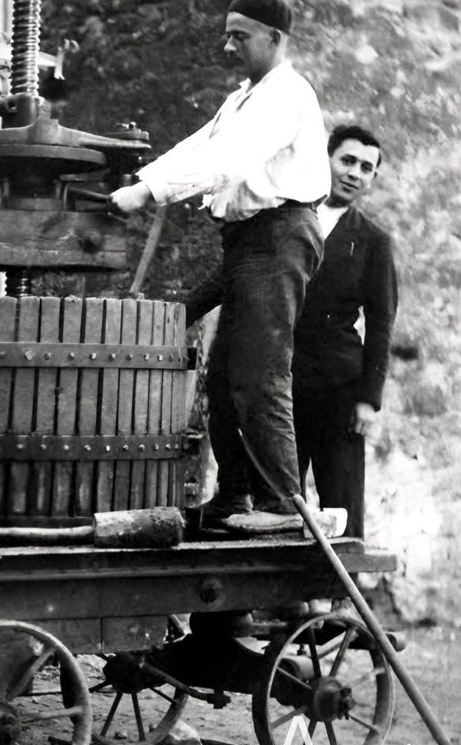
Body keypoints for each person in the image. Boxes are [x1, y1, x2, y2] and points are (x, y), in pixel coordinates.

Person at [110, 0, 330, 533]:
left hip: (279, 235)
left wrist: (147, 192)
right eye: (227, 34)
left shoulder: (286, 94)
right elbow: (199, 146)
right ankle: (235, 496)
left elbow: (228, 159)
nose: (228, 46)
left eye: (241, 36)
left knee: (259, 373)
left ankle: (283, 504)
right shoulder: (242, 99)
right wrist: (142, 178)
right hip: (248, 241)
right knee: (226, 374)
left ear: (274, 38)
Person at [293, 126, 397, 539]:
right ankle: (279, 579)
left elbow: (382, 322)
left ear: (372, 178)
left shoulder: (373, 240)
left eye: (366, 168)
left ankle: (340, 579)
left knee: (341, 501)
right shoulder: (291, 218)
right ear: (328, 159)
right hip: (283, 381)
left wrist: (369, 400)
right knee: (278, 497)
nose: (355, 173)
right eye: (347, 161)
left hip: (339, 388)